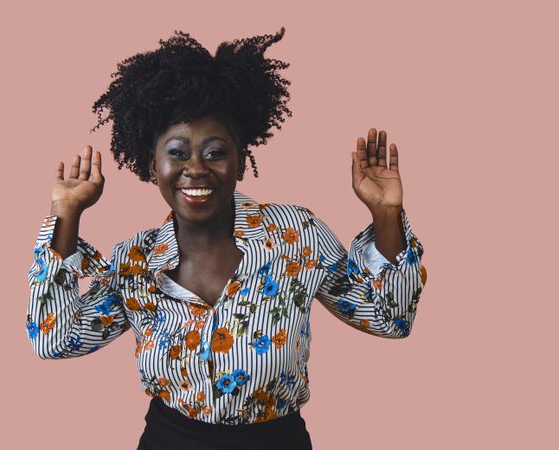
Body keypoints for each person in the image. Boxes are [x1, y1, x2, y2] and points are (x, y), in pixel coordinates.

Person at [26, 27, 427, 450]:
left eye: (215, 152)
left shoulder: (296, 237)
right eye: (177, 153)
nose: (195, 168)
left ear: (240, 163)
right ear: (152, 165)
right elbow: (55, 340)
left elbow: (389, 320)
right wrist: (65, 216)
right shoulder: (135, 262)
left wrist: (386, 214)